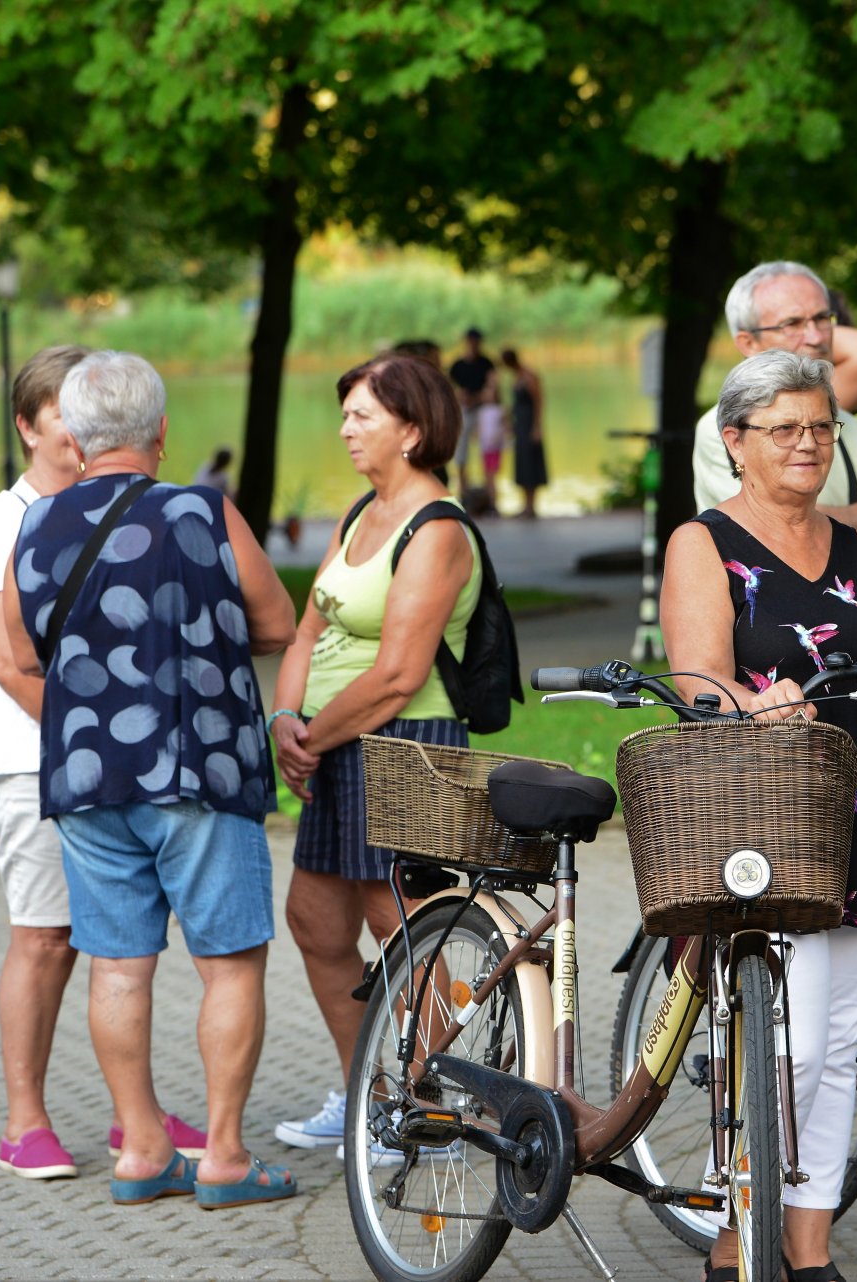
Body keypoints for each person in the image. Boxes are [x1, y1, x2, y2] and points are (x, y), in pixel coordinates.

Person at [663, 349, 857, 1282]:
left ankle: (811, 1249)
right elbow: (698, 687)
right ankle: (739, 1241)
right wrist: (755, 702)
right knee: (785, 1050)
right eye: (784, 428)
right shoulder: (703, 544)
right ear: (735, 441)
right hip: (770, 829)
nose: (808, 445)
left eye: (820, 427)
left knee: (836, 1051)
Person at [3, 350, 298, 1208]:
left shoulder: (39, 524)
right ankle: (226, 1158)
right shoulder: (202, 510)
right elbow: (277, 621)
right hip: (201, 764)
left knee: (118, 968)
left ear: (80, 434)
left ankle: (139, 1150)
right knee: (230, 966)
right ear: (161, 433)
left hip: (89, 773)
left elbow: (26, 654)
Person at [268, 354, 480, 1164]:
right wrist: (289, 715)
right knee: (317, 921)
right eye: (346, 414)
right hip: (329, 744)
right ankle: (367, 1089)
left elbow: (397, 675)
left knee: (400, 927)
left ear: (414, 430)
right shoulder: (363, 511)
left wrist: (309, 739)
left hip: (405, 750)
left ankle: (434, 1107)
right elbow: (310, 628)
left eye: (363, 415)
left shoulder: (440, 529)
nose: (347, 428)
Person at [692, 261, 857, 553]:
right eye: (793, 324)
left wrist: (826, 534)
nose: (815, 337)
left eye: (822, 318)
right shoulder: (726, 428)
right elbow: (769, 537)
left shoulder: (848, 425)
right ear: (748, 342)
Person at [448, 327, 502, 511]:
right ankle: (464, 494)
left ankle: (491, 497)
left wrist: (479, 397)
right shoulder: (458, 365)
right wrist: (460, 396)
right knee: (461, 454)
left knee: (488, 454)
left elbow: (493, 390)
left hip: (483, 410)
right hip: (465, 410)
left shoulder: (487, 363)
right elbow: (449, 388)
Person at [499, 347, 548, 518]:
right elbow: (516, 403)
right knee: (522, 463)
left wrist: (537, 426)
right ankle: (525, 504)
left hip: (529, 424)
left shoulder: (529, 376)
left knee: (532, 463)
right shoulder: (516, 377)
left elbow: (539, 401)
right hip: (520, 425)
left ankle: (532, 505)